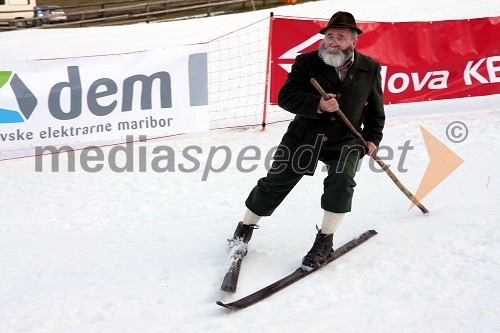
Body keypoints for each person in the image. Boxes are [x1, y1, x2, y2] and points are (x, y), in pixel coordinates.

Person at [227, 11, 385, 271]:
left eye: (341, 38)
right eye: (330, 36)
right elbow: (285, 97)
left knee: (341, 182)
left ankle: (324, 241)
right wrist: (318, 104)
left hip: (346, 139)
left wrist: (372, 137)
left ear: (354, 42)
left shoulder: (370, 68)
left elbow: (376, 110)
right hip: (304, 136)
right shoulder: (306, 63)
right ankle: (244, 228)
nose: (333, 42)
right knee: (274, 183)